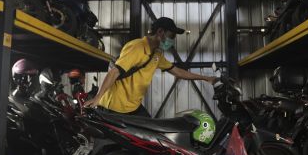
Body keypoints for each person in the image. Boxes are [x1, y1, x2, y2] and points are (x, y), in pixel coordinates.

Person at [83, 17, 217, 117]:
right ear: (160, 32)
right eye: (172, 35)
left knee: (151, 139)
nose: (173, 40)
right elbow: (114, 72)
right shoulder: (137, 47)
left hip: (132, 107)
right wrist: (97, 98)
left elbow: (177, 71)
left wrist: (206, 78)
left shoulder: (156, 54)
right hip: (115, 108)